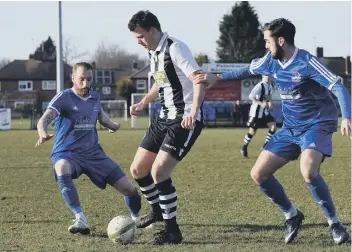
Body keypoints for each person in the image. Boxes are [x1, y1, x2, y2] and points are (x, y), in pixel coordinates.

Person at [195, 18, 351, 245]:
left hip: (317, 124)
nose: (266, 46)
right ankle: (292, 215)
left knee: (308, 170)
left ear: (280, 40)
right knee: (258, 173)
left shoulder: (306, 61)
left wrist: (347, 116)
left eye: (267, 41)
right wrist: (217, 78)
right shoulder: (270, 61)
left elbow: (337, 85)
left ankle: (335, 223)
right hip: (290, 128)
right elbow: (247, 69)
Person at [35, 62, 141, 235]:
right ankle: (80, 218)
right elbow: (44, 119)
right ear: (73, 78)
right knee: (61, 167)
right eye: (81, 79)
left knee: (129, 189)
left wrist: (114, 125)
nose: (85, 84)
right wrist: (42, 133)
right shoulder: (63, 97)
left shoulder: (95, 97)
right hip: (67, 153)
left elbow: (100, 116)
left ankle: (136, 219)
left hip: (93, 154)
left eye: (89, 79)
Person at [127, 10, 205, 245]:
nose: (138, 41)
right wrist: (143, 102)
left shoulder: (175, 48)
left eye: (140, 36)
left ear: (152, 30)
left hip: (184, 119)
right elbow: (162, 84)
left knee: (159, 173)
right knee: (138, 170)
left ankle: (172, 231)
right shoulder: (154, 54)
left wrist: (193, 112)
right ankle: (157, 210)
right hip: (163, 118)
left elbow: (198, 78)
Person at [241, 75, 277, 158]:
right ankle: (244, 147)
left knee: (273, 127)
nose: (267, 76)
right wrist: (261, 103)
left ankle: (265, 146)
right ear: (262, 76)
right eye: (266, 75)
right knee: (252, 131)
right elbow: (251, 96)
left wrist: (269, 103)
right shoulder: (260, 85)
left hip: (265, 112)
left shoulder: (270, 85)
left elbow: (267, 97)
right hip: (256, 113)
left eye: (269, 75)